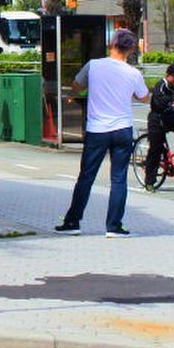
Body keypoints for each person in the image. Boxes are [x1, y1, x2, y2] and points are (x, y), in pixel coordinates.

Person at [55, 28, 151, 237]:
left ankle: (72, 222)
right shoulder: (133, 73)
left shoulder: (94, 66)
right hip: (122, 129)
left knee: (86, 177)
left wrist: (82, 93)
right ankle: (114, 226)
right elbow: (144, 97)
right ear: (131, 49)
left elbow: (76, 86)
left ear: (111, 45)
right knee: (118, 179)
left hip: (97, 130)